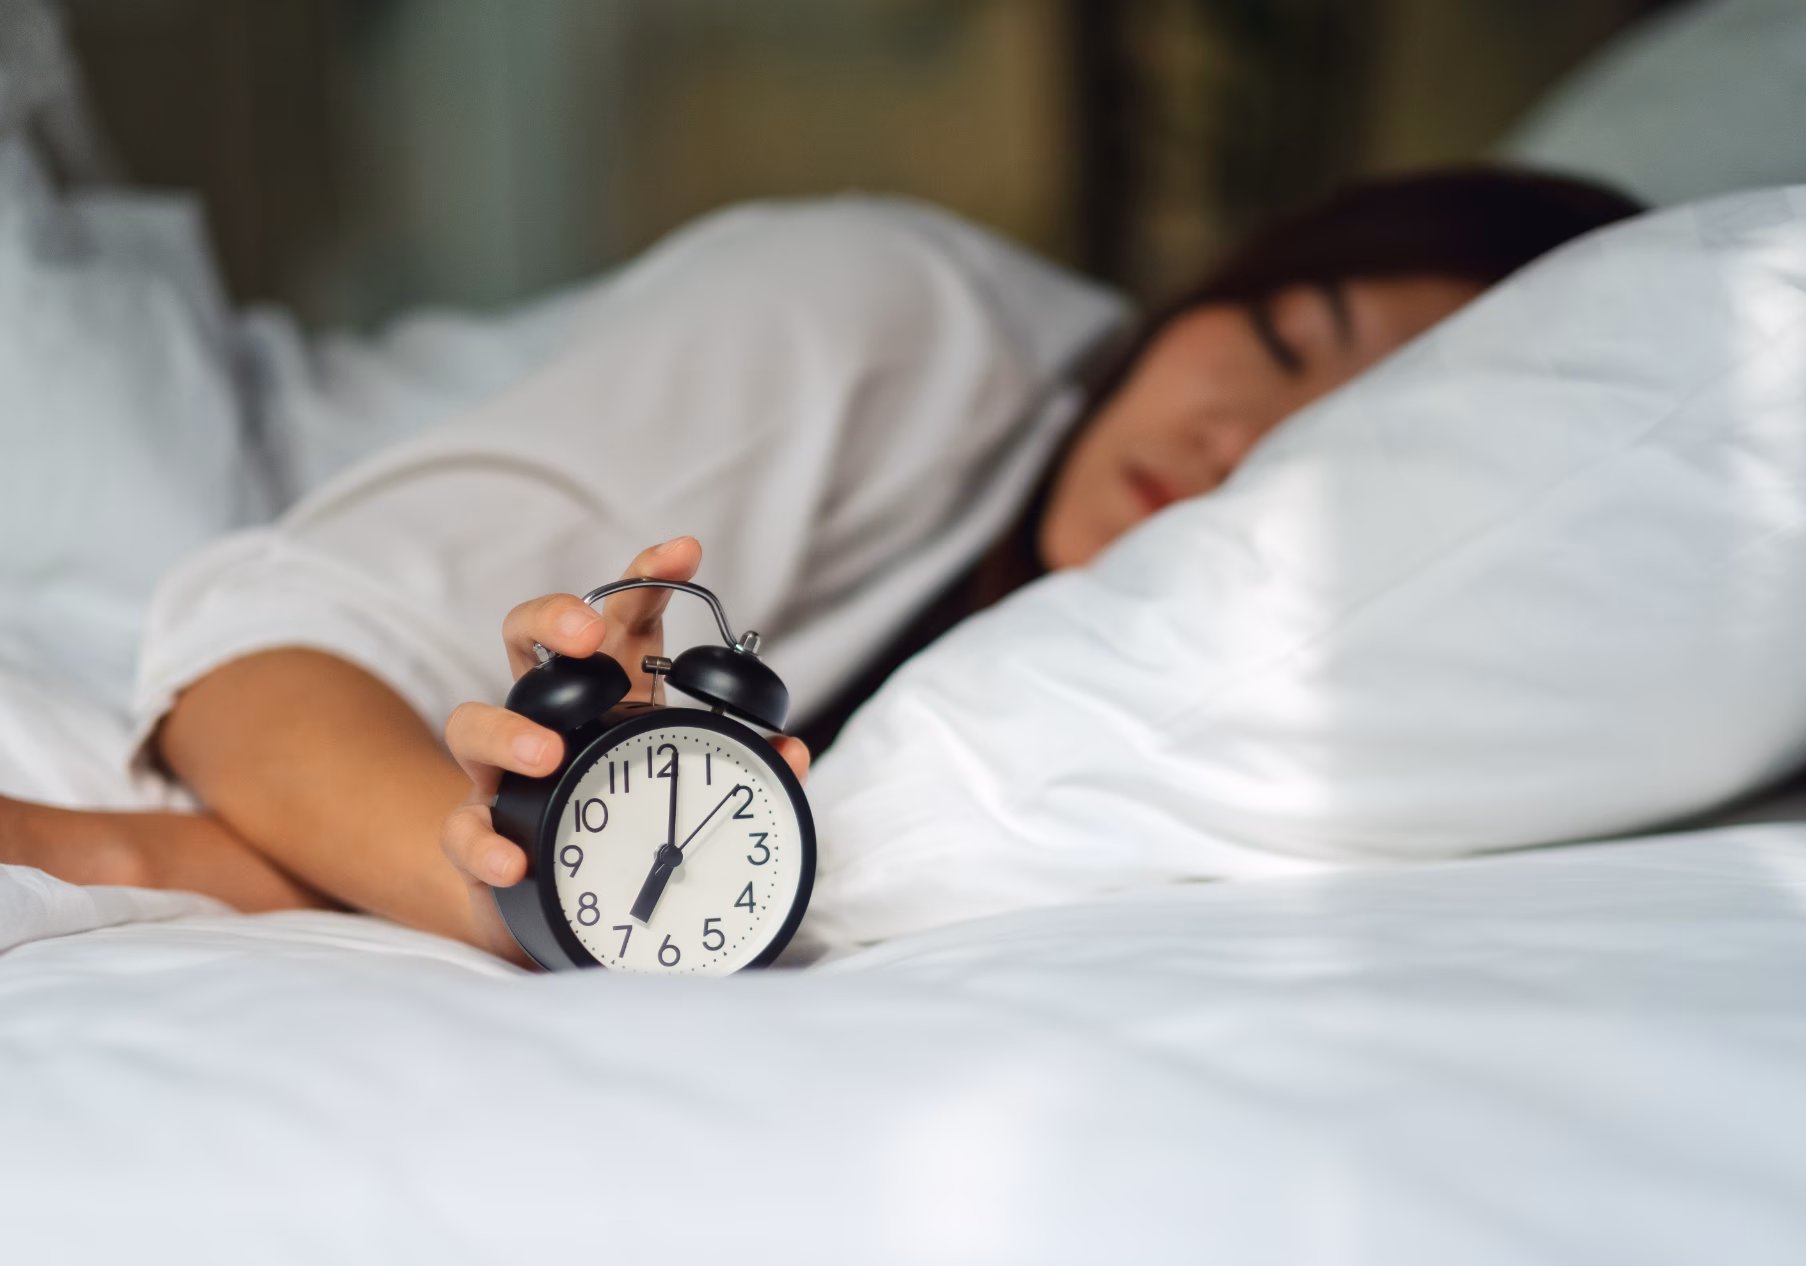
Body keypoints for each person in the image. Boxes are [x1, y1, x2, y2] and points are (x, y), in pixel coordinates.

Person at [0, 167, 1640, 962]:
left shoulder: (1140, 675)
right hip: (152, 473)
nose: (1226, 436)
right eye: (1281, 335)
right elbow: (257, 651)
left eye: (1321, 445)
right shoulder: (900, 320)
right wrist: (556, 887)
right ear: (1233, 277)